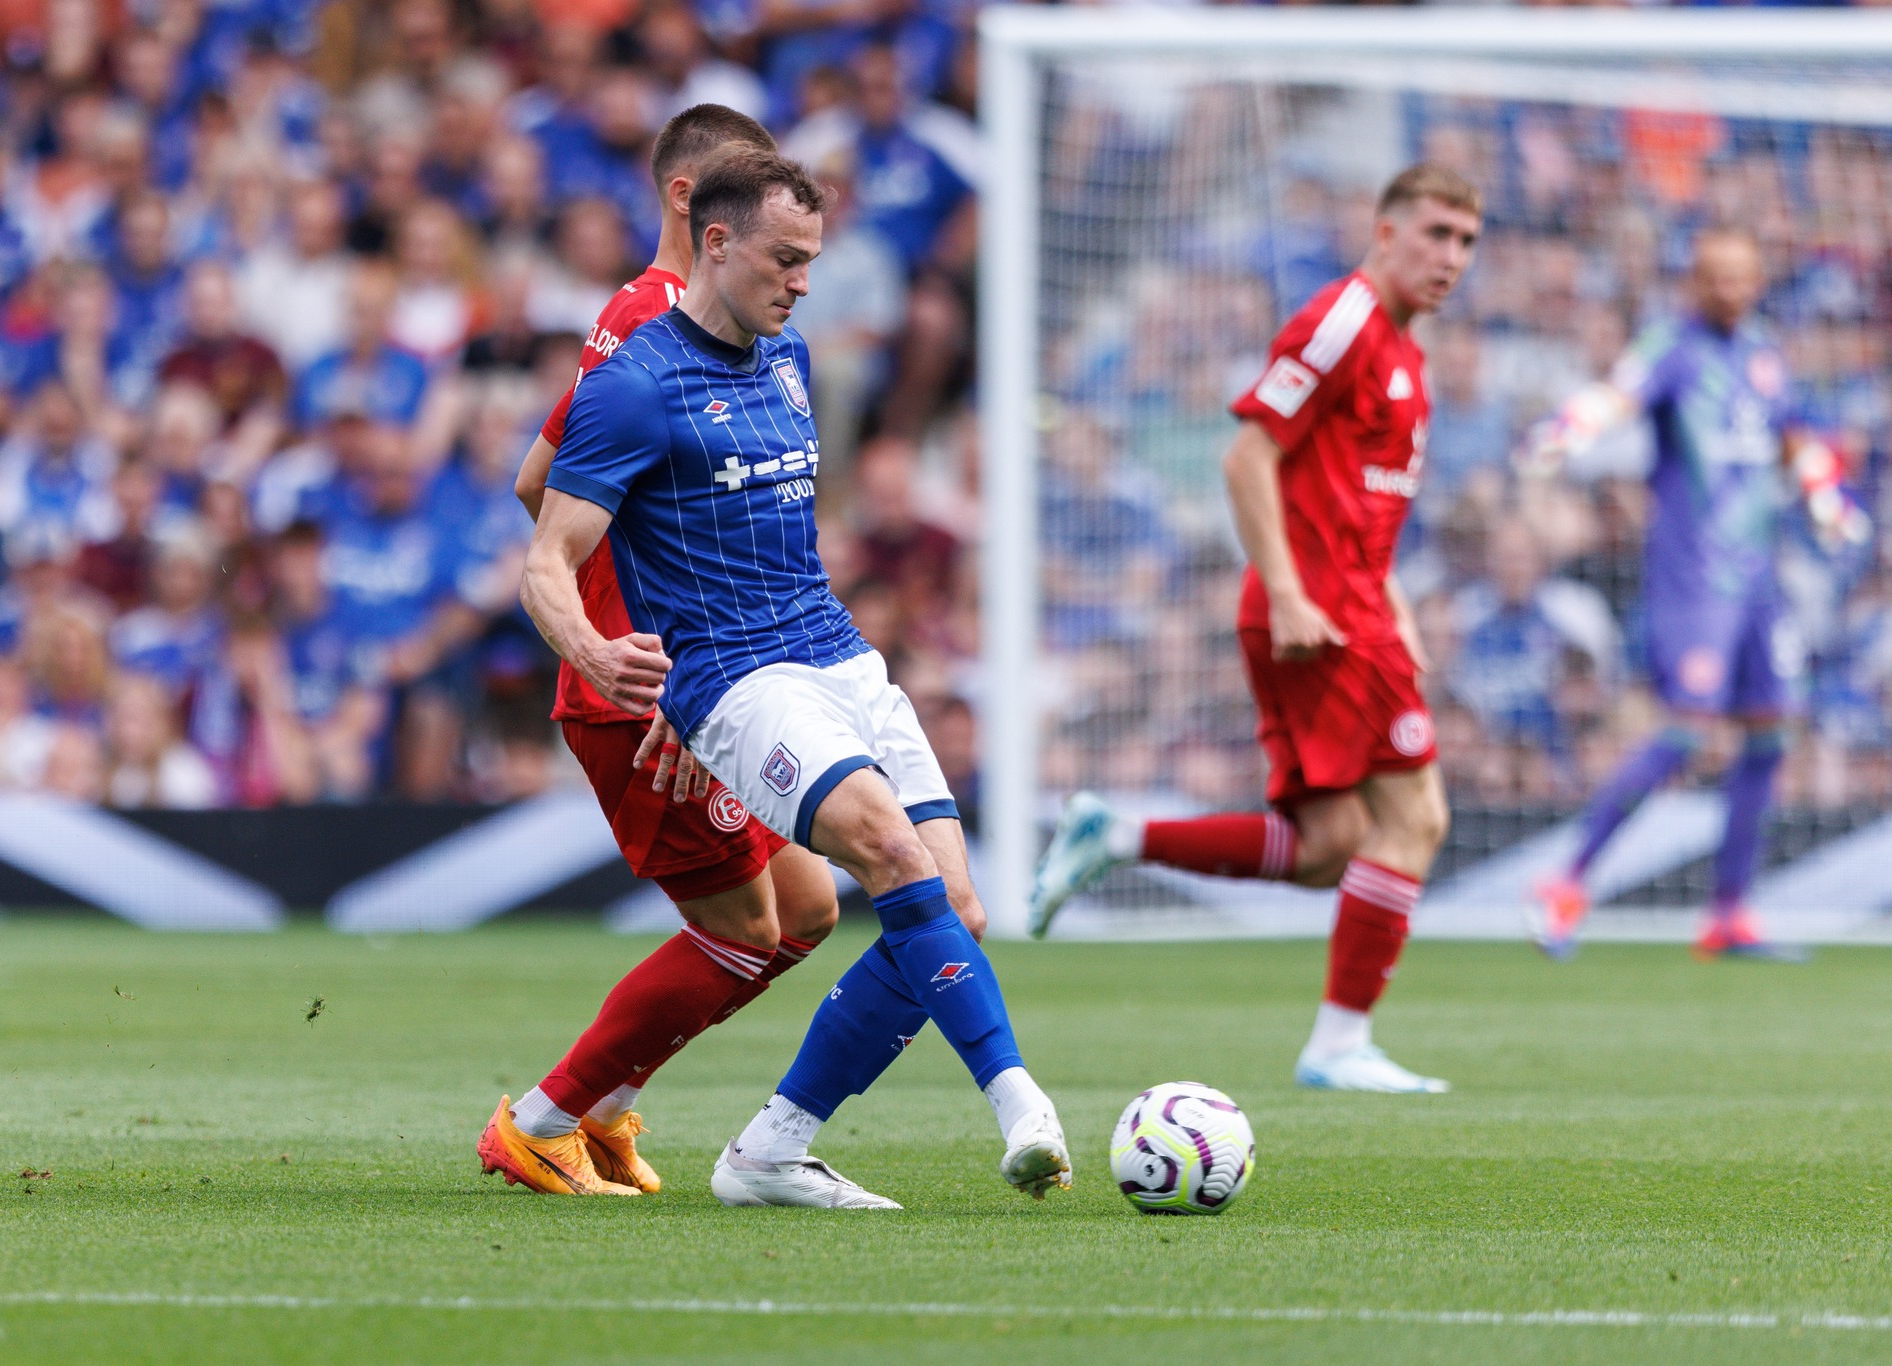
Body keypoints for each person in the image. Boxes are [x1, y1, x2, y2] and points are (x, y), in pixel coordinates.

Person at [521, 146, 1070, 1209]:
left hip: (836, 653)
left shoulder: (789, 360)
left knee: (955, 906)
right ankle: (1018, 1103)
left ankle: (773, 1146)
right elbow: (546, 555)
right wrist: (604, 659)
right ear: (714, 241)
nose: (803, 280)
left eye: (812, 259)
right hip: (734, 678)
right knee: (887, 855)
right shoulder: (632, 383)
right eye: (785, 258)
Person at [1030, 164, 1483, 1095]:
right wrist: (1285, 589)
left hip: (1352, 604)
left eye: (1467, 242)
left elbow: (1363, 507)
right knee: (1416, 818)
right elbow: (1247, 458)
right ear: (1385, 229)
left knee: (1327, 848)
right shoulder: (1345, 320)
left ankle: (1118, 835)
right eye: (1436, 233)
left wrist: (1393, 606)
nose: (1452, 257)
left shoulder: (1407, 351)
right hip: (1319, 611)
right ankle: (1340, 1045)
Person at [477, 106, 845, 1200]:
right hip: (648, 683)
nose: (785, 261)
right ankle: (545, 1116)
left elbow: (533, 470)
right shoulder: (645, 326)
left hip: (707, 668)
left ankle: (599, 1107)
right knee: (744, 926)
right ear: (694, 204)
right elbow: (546, 493)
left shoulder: (720, 336)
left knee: (809, 909)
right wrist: (644, 650)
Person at [1524, 228, 1866, 962]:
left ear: (1759, 280)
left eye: (1742, 278)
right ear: (1694, 282)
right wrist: (1568, 429)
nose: (1730, 291)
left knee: (1772, 733)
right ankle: (1567, 879)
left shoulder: (1765, 353)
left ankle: (1729, 911)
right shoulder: (1671, 346)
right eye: (1716, 278)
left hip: (1758, 578)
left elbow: (1796, 438)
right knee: (1685, 731)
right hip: (1692, 580)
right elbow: (1616, 396)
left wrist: (1827, 497)